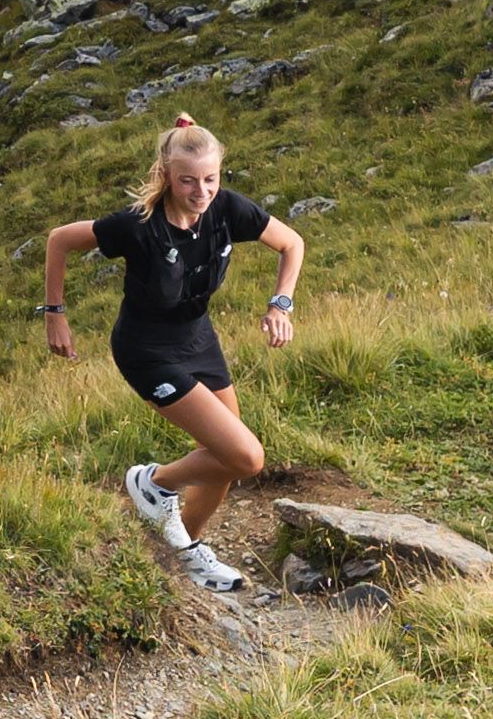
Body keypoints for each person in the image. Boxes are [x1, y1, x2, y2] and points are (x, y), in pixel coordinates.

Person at [40, 119, 302, 593]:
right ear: (165, 175)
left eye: (210, 179)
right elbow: (60, 239)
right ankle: (154, 484)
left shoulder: (227, 209)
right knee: (245, 455)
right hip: (146, 350)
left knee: (226, 459)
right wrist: (55, 313)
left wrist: (280, 303)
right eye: (187, 180)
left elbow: (291, 243)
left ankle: (183, 555)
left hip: (199, 339)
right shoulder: (137, 226)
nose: (201, 191)